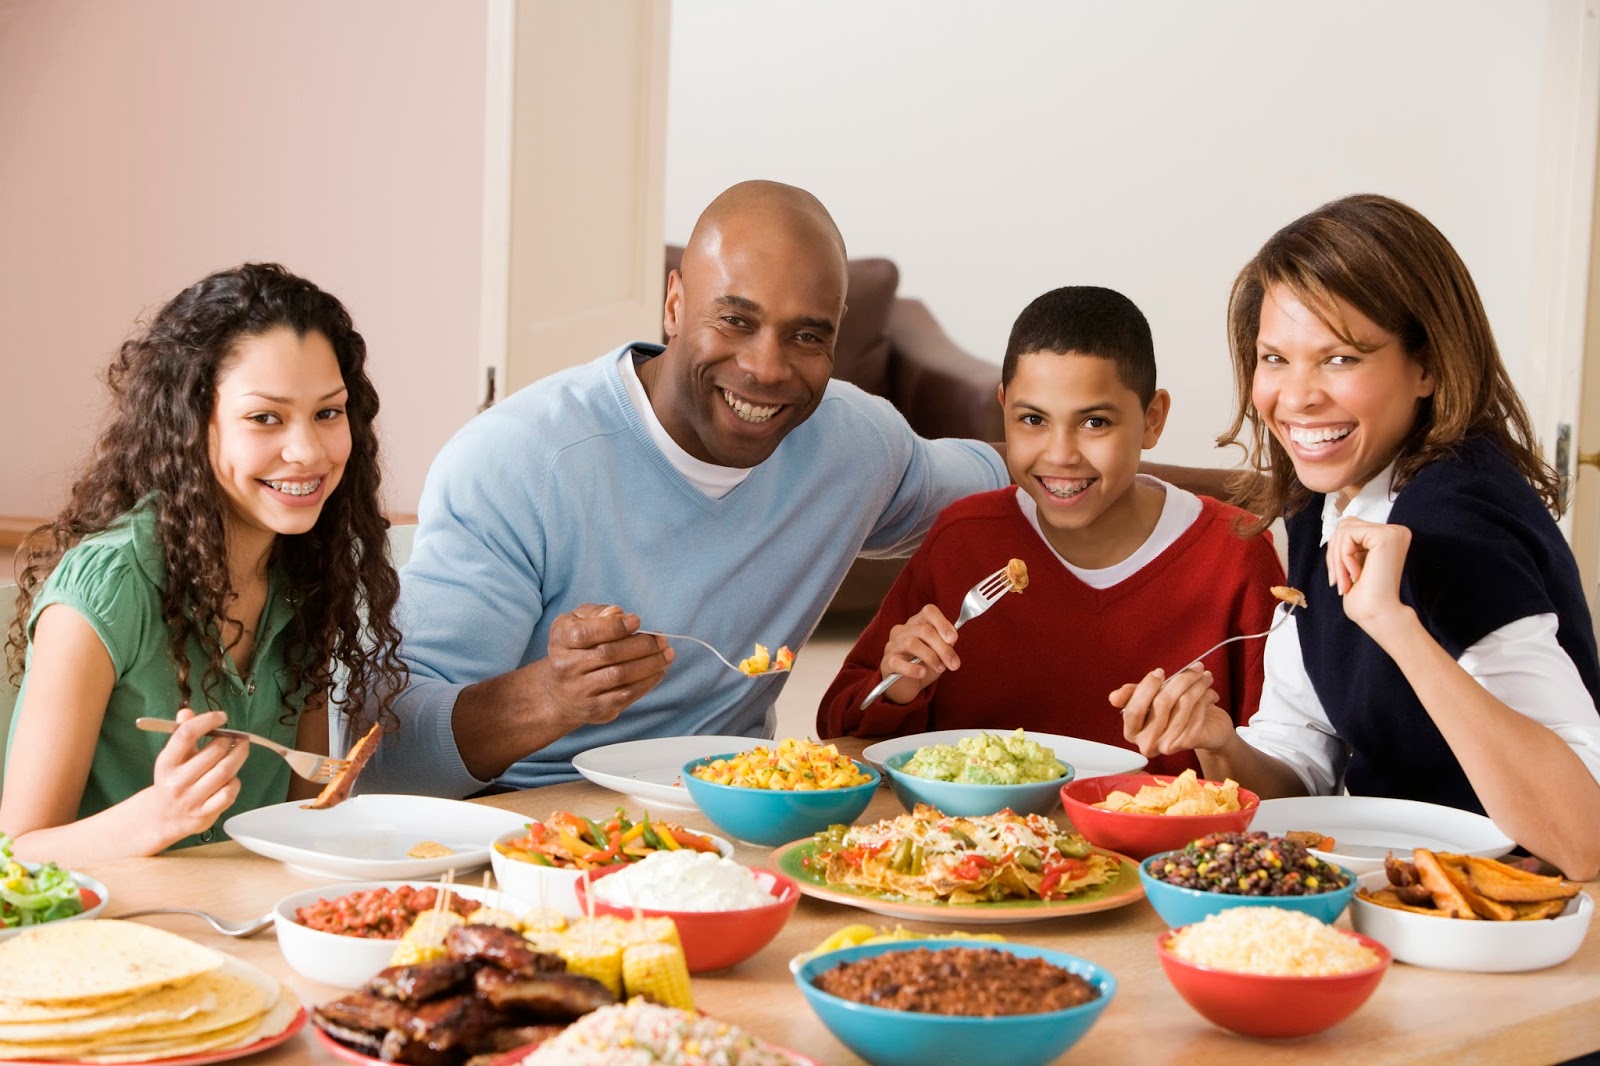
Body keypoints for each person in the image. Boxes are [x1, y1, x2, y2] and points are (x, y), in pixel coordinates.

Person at [361, 180, 1008, 797]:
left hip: (741, 820)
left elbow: (1040, 477)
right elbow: (386, 758)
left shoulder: (855, 445)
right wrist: (549, 698)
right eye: (735, 321)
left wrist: (1097, 433)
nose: (766, 368)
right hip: (530, 828)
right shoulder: (518, 463)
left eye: (807, 336)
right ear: (674, 304)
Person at [1116, 194, 1600, 880]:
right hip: (1396, 892)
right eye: (1275, 358)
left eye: (1341, 359)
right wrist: (1220, 746)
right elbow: (1304, 759)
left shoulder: (1458, 521)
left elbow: (1583, 837)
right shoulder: (1328, 495)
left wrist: (1395, 626)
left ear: (1426, 366)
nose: (1297, 396)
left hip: (1510, 913)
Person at [0, 264, 404, 865]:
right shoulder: (109, 586)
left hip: (248, 924)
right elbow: (17, 854)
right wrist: (156, 819)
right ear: (191, 426)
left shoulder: (309, 567)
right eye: (265, 417)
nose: (309, 452)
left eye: (328, 412)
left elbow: (303, 816)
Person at [816, 286, 1284, 774]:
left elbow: (1287, 784)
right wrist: (900, 684)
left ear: (1152, 419)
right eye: (1033, 419)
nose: (1060, 454)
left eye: (1095, 422)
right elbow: (839, 730)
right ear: (1004, 409)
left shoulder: (1236, 554)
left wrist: (1218, 744)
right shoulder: (964, 539)